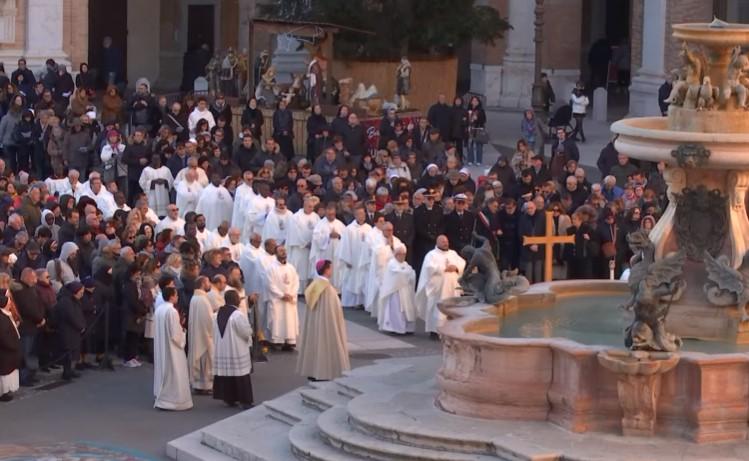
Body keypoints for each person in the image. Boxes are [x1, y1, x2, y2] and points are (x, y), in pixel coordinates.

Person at [297, 260, 350, 381]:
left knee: (315, 343)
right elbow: (332, 309)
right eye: (330, 268)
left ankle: (313, 369)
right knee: (325, 343)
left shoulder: (314, 285)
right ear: (326, 270)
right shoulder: (326, 289)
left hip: (315, 324)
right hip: (327, 323)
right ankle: (324, 371)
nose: (332, 271)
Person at [416, 235, 465, 338]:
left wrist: (455, 267)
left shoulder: (453, 253)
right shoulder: (431, 255)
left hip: (452, 288)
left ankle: (451, 330)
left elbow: (462, 262)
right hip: (438, 289)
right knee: (438, 308)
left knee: (452, 307)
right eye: (443, 241)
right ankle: (435, 331)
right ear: (437, 242)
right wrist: (444, 268)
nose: (445, 243)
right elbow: (429, 268)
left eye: (446, 241)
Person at [213, 289, 254, 408]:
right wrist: (250, 332)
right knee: (241, 375)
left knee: (227, 374)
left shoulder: (217, 314)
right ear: (235, 300)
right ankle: (245, 401)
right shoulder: (237, 315)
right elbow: (245, 332)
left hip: (223, 349)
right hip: (236, 349)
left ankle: (229, 399)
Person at [153, 287, 192, 411]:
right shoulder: (172, 311)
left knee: (165, 371)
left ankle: (163, 397)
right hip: (172, 350)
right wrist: (183, 331)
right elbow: (175, 335)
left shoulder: (159, 309)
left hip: (162, 346)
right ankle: (174, 401)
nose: (178, 297)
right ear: (171, 296)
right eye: (176, 295)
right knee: (175, 372)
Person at [336, 206, 372, 308]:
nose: (362, 216)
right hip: (353, 260)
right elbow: (345, 245)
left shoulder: (368, 228)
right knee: (352, 280)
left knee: (363, 279)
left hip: (364, 260)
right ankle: (352, 302)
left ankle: (362, 302)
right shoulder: (349, 229)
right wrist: (347, 259)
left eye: (363, 214)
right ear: (355, 215)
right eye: (360, 214)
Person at [377, 245, 416, 335]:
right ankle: (395, 328)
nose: (403, 256)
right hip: (395, 292)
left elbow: (411, 273)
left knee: (407, 310)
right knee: (396, 310)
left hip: (405, 291)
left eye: (404, 254)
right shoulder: (391, 263)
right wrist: (405, 274)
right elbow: (396, 275)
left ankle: (407, 328)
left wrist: (406, 274)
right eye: (401, 254)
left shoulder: (406, 264)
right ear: (396, 255)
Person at [266, 245, 299, 350]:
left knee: (290, 319)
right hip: (278, 300)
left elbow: (296, 282)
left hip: (289, 299)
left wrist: (291, 294)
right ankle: (277, 341)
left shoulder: (291, 267)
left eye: (284, 250)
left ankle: (290, 341)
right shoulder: (271, 268)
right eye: (280, 251)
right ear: (276, 253)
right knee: (278, 319)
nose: (283, 252)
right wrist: (281, 295)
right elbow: (270, 284)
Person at [187, 276, 214, 394]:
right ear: (203, 283)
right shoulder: (203, 299)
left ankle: (199, 384)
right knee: (205, 360)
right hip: (204, 335)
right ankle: (204, 386)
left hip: (197, 333)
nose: (210, 284)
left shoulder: (195, 298)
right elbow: (208, 319)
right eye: (208, 282)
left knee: (201, 359)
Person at [286, 197, 320, 293]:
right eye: (309, 207)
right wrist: (305, 243)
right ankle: (298, 290)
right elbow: (295, 232)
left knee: (309, 269)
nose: (311, 209)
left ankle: (308, 289)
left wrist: (313, 243)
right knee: (299, 269)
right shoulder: (295, 217)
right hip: (300, 248)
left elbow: (318, 231)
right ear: (304, 206)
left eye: (313, 207)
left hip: (311, 248)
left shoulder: (316, 217)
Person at [310, 203, 345, 292]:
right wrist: (328, 236)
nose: (331, 216)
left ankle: (337, 290)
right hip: (325, 254)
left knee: (336, 270)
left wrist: (339, 236)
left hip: (336, 254)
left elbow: (345, 237)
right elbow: (316, 238)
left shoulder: (340, 224)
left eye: (333, 214)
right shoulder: (320, 224)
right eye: (329, 215)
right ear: (325, 213)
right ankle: (323, 289)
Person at [55, 281, 86, 381]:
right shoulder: (65, 301)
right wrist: (80, 326)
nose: (82, 294)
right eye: (80, 292)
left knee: (72, 351)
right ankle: (66, 372)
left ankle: (70, 370)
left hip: (73, 330)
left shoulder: (73, 300)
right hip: (67, 330)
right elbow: (70, 316)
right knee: (67, 351)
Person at [0, 291, 20, 401]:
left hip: (10, 349)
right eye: (8, 302)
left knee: (9, 371)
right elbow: (3, 335)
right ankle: (3, 392)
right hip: (5, 350)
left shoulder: (6, 314)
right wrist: (12, 345)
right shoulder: (1, 317)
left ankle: (6, 391)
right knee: (4, 373)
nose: (10, 304)